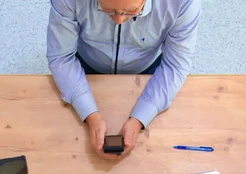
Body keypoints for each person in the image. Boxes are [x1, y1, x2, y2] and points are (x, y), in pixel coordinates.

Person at [47, 0, 201, 160]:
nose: (119, 20)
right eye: (107, 9)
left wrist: (140, 119)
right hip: (85, 64)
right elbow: (61, 57)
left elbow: (175, 65)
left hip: (147, 70)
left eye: (132, 11)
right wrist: (90, 115)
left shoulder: (183, 3)